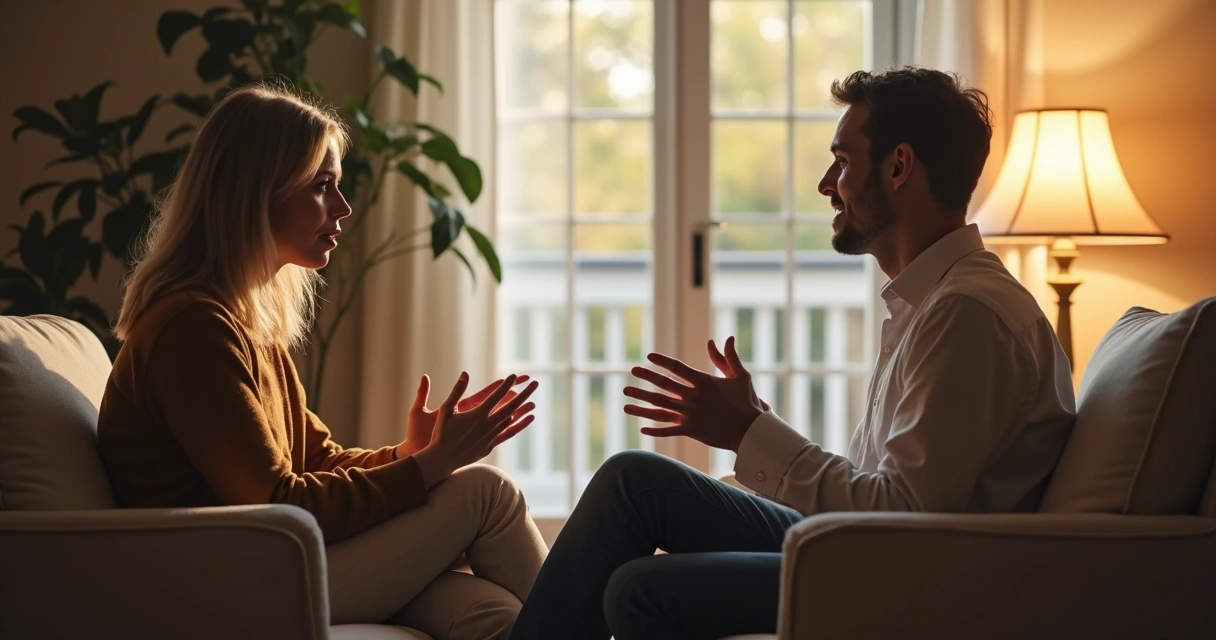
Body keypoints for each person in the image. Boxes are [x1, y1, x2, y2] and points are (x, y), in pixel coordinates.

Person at [509, 67, 1077, 640]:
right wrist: (758, 426)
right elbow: (884, 496)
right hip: (874, 553)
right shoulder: (932, 304)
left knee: (637, 589)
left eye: (844, 161)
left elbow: (901, 519)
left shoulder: (968, 314)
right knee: (635, 482)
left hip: (909, 582)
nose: (827, 184)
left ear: (899, 167)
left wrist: (748, 432)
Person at [97, 84, 548, 640]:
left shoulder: (245, 326)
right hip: (228, 583)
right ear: (255, 193)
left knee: (492, 615)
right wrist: (429, 468)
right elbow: (277, 501)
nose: (343, 207)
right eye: (322, 186)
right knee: (486, 492)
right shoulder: (191, 328)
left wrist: (410, 453)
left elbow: (318, 460)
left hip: (269, 567)